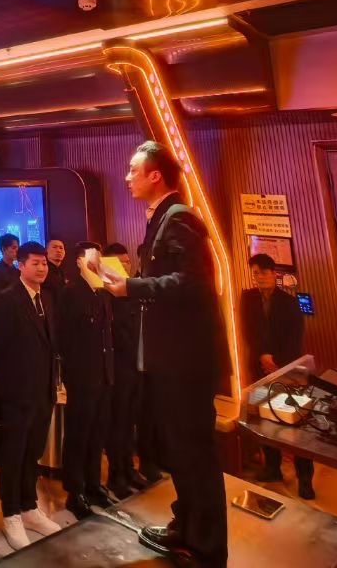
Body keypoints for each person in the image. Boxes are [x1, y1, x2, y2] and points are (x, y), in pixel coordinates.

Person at [104, 142, 229, 567]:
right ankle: (186, 527)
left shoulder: (180, 218)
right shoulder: (162, 218)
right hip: (171, 359)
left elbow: (193, 283)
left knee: (194, 453)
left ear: (155, 175)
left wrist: (132, 287)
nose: (127, 177)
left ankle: (206, 547)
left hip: (185, 362)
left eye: (133, 170)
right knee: (180, 451)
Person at [0, 241, 62, 550]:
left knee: (32, 451)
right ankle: (11, 513)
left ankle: (29, 506)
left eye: (44, 263)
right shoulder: (7, 299)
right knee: (13, 454)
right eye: (35, 263)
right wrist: (10, 384)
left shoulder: (47, 297)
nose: (42, 268)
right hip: (16, 392)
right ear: (21, 265)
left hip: (43, 390)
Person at [240, 253, 315, 499]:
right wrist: (263, 355)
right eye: (255, 273)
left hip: (288, 368)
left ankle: (305, 478)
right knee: (265, 420)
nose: (259, 277)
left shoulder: (289, 302)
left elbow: (295, 336)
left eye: (263, 272)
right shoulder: (248, 298)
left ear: (274, 273)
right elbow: (248, 330)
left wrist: (277, 362)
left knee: (296, 422)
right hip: (259, 368)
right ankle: (272, 468)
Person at [58, 242, 117, 518]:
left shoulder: (102, 290)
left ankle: (94, 484)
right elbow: (65, 337)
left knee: (98, 432)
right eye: (92, 257)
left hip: (104, 373)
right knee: (78, 434)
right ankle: (75, 490)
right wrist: (70, 373)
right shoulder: (71, 292)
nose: (97, 261)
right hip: (82, 375)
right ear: (80, 261)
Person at [103, 243, 146, 498]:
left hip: (136, 366)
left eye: (127, 261)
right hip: (117, 369)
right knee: (117, 423)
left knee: (130, 421)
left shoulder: (134, 291)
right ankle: (116, 474)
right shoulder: (106, 294)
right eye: (119, 262)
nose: (125, 266)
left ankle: (129, 468)